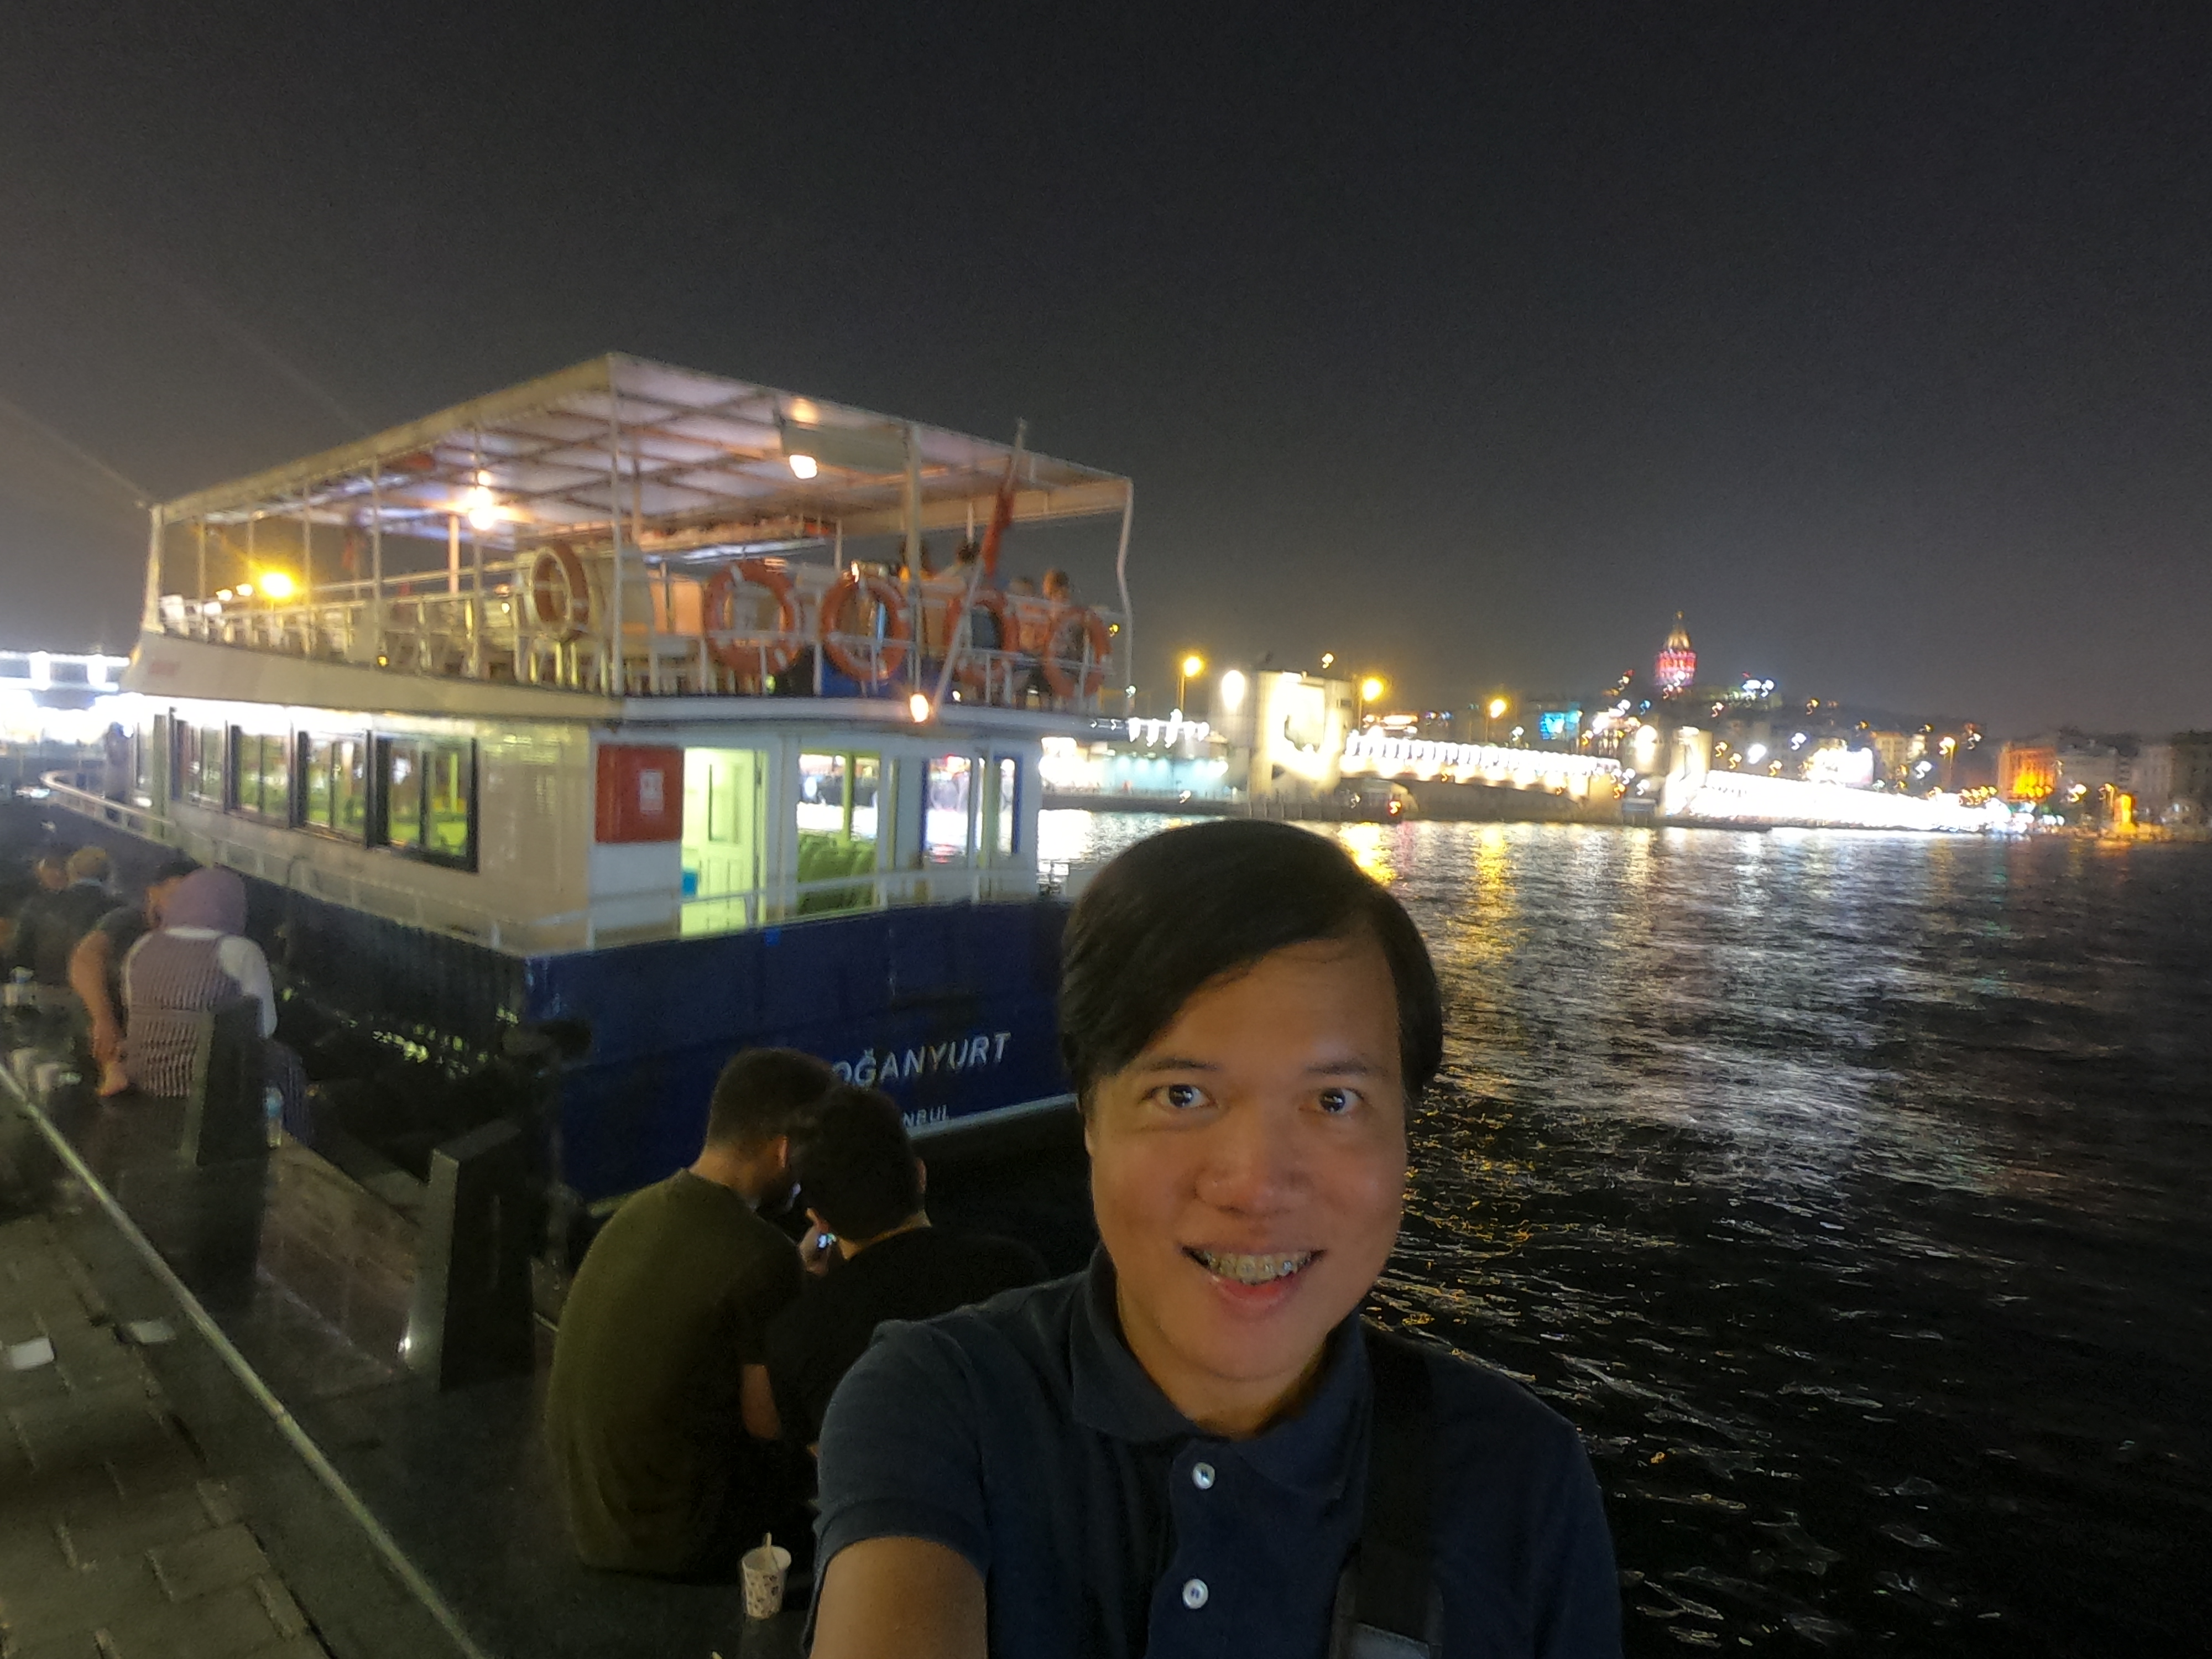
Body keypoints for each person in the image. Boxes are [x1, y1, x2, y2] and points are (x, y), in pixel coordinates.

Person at [810, 821, 1621, 1658]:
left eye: (1334, 1101)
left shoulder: (1524, 1480)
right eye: (1183, 1095)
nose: (1256, 1187)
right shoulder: (942, 1408)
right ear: (1088, 1113)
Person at [544, 1047, 838, 1580]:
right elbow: (769, 1424)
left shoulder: (640, 1209)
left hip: (591, 1519)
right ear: (783, 1151)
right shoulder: (761, 1255)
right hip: (675, 1536)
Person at [745, 1086, 1045, 1451]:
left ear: (819, 1220)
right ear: (920, 1175)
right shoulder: (1015, 1271)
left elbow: (770, 1427)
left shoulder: (800, 1335)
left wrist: (805, 1282)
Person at [120, 866, 305, 1115]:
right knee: (284, 1061)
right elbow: (264, 1027)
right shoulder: (241, 950)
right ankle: (296, 1131)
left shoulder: (144, 945)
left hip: (145, 1079)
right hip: (206, 1087)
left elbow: (132, 1005)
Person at [70, 856, 200, 1096]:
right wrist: (104, 1020)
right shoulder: (126, 922)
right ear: (152, 894)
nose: (183, 908)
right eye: (174, 897)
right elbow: (85, 959)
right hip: (112, 1035)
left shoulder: (197, 939)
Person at [8, 847, 116, 988]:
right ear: (109, 875)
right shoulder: (120, 910)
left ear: (71, 872)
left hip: (47, 990)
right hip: (98, 993)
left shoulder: (39, 905)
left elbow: (21, 954)